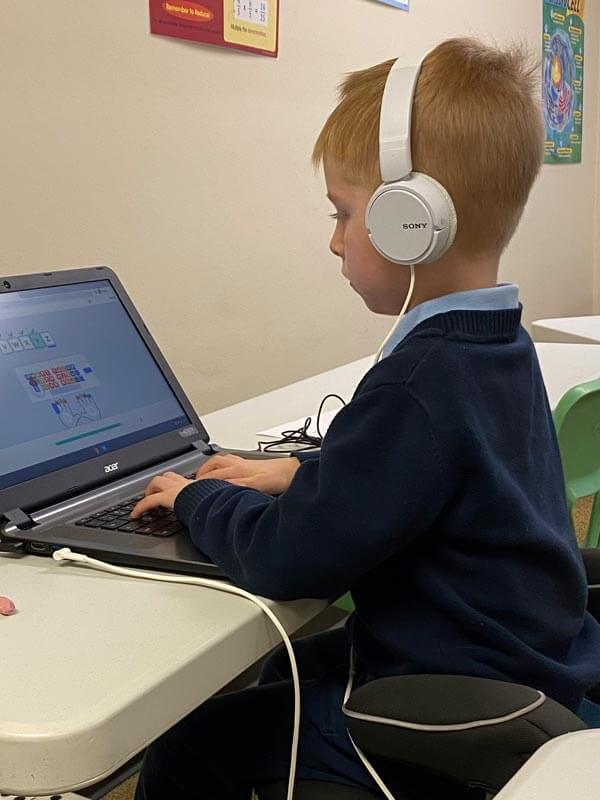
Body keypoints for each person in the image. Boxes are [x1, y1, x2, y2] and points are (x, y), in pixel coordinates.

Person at [132, 38, 600, 799]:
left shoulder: (418, 379)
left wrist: (196, 497)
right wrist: (304, 471)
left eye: (346, 212)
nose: (335, 238)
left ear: (413, 221)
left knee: (193, 744)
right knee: (270, 673)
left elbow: (289, 559)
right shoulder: (494, 340)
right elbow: (442, 473)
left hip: (447, 700)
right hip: (518, 660)